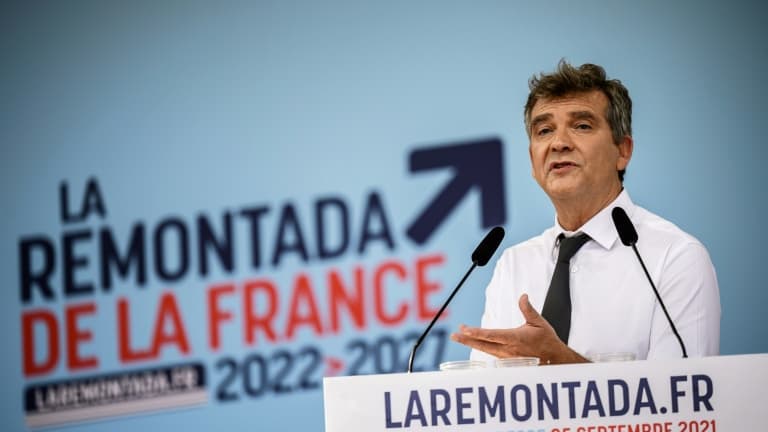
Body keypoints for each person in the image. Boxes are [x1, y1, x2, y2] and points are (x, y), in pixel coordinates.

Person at [451, 61, 720, 364]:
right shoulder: (513, 266)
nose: (559, 143)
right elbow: (486, 400)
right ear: (532, 159)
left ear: (623, 151)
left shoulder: (674, 257)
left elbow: (681, 400)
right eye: (544, 130)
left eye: (581, 126)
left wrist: (557, 360)